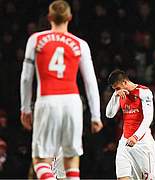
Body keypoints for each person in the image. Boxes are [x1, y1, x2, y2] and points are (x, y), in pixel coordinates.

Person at [20, 1, 103, 179]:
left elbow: (26, 78)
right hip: (72, 102)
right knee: (71, 160)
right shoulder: (80, 44)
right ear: (70, 18)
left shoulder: (36, 40)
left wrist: (25, 108)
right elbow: (90, 82)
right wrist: (96, 115)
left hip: (48, 100)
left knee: (41, 161)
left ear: (49, 18)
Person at [105, 69, 155, 180]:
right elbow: (109, 114)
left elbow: (148, 118)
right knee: (122, 177)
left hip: (142, 143)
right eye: (115, 89)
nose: (117, 91)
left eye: (117, 88)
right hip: (125, 142)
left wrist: (136, 136)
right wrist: (115, 96)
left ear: (124, 82)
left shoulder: (144, 92)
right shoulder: (119, 94)